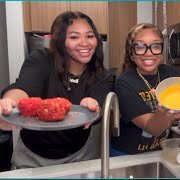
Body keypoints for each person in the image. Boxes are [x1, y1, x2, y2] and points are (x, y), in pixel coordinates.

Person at [0, 11, 114, 169]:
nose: (85, 43)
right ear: (60, 41)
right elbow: (23, 89)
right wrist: (10, 102)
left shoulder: (102, 75)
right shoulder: (41, 60)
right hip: (32, 158)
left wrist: (94, 106)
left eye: (90, 36)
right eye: (74, 37)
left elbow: (99, 106)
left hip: (80, 156)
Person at [110, 23, 180, 156]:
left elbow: (178, 117)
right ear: (132, 54)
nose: (149, 53)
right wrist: (166, 112)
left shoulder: (170, 73)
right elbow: (152, 128)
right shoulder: (124, 83)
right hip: (126, 154)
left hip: (158, 151)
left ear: (162, 52)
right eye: (140, 47)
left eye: (156, 46)